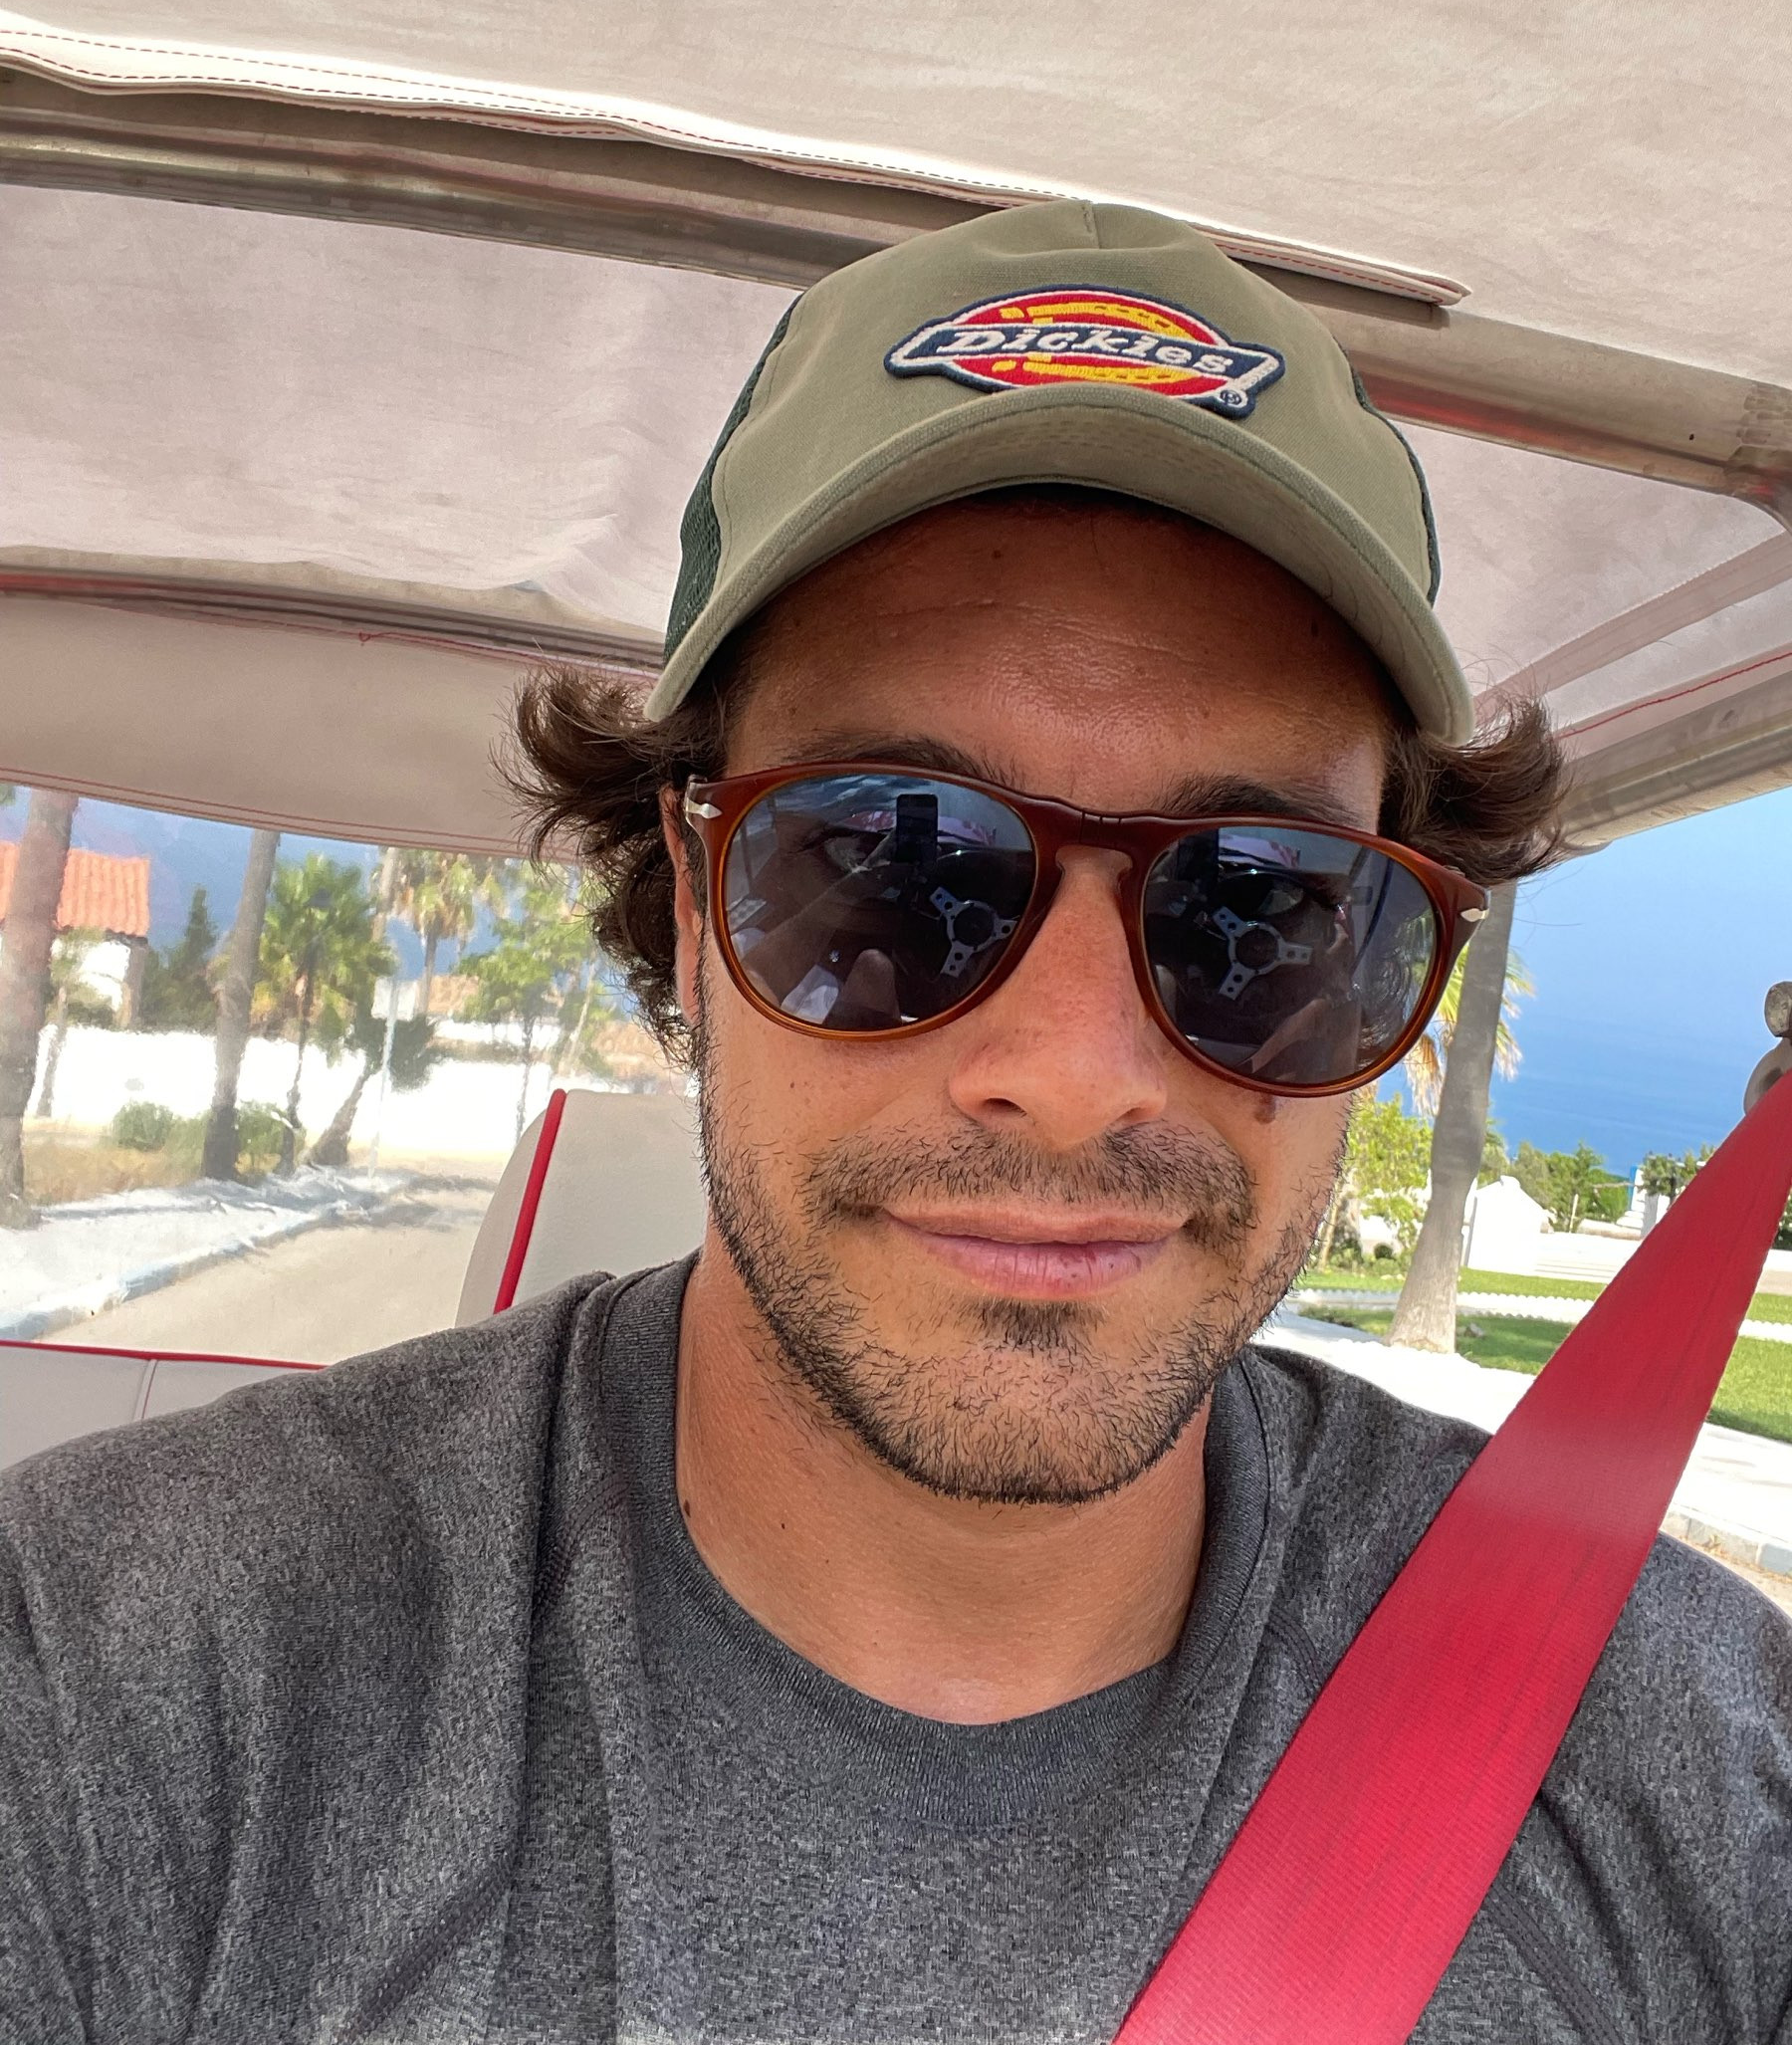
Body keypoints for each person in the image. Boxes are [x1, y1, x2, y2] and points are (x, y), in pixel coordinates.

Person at [2, 203, 1786, 2044]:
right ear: (689, 909)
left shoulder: (1704, 1773)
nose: (1076, 1071)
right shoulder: (115, 1680)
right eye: (885, 866)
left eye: (1257, 903)